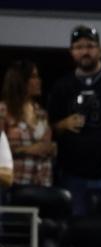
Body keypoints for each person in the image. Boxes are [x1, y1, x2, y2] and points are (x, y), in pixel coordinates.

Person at [47, 25, 101, 216]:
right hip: (72, 173)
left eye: (90, 46)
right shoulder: (62, 85)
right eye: (79, 47)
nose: (85, 51)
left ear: (100, 49)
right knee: (75, 233)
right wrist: (63, 124)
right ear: (71, 52)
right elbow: (48, 128)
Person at [1, 60, 55, 188]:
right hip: (15, 183)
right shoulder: (4, 110)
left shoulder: (41, 113)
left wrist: (51, 148)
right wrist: (27, 150)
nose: (39, 81)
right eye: (33, 77)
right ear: (20, 80)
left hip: (43, 183)